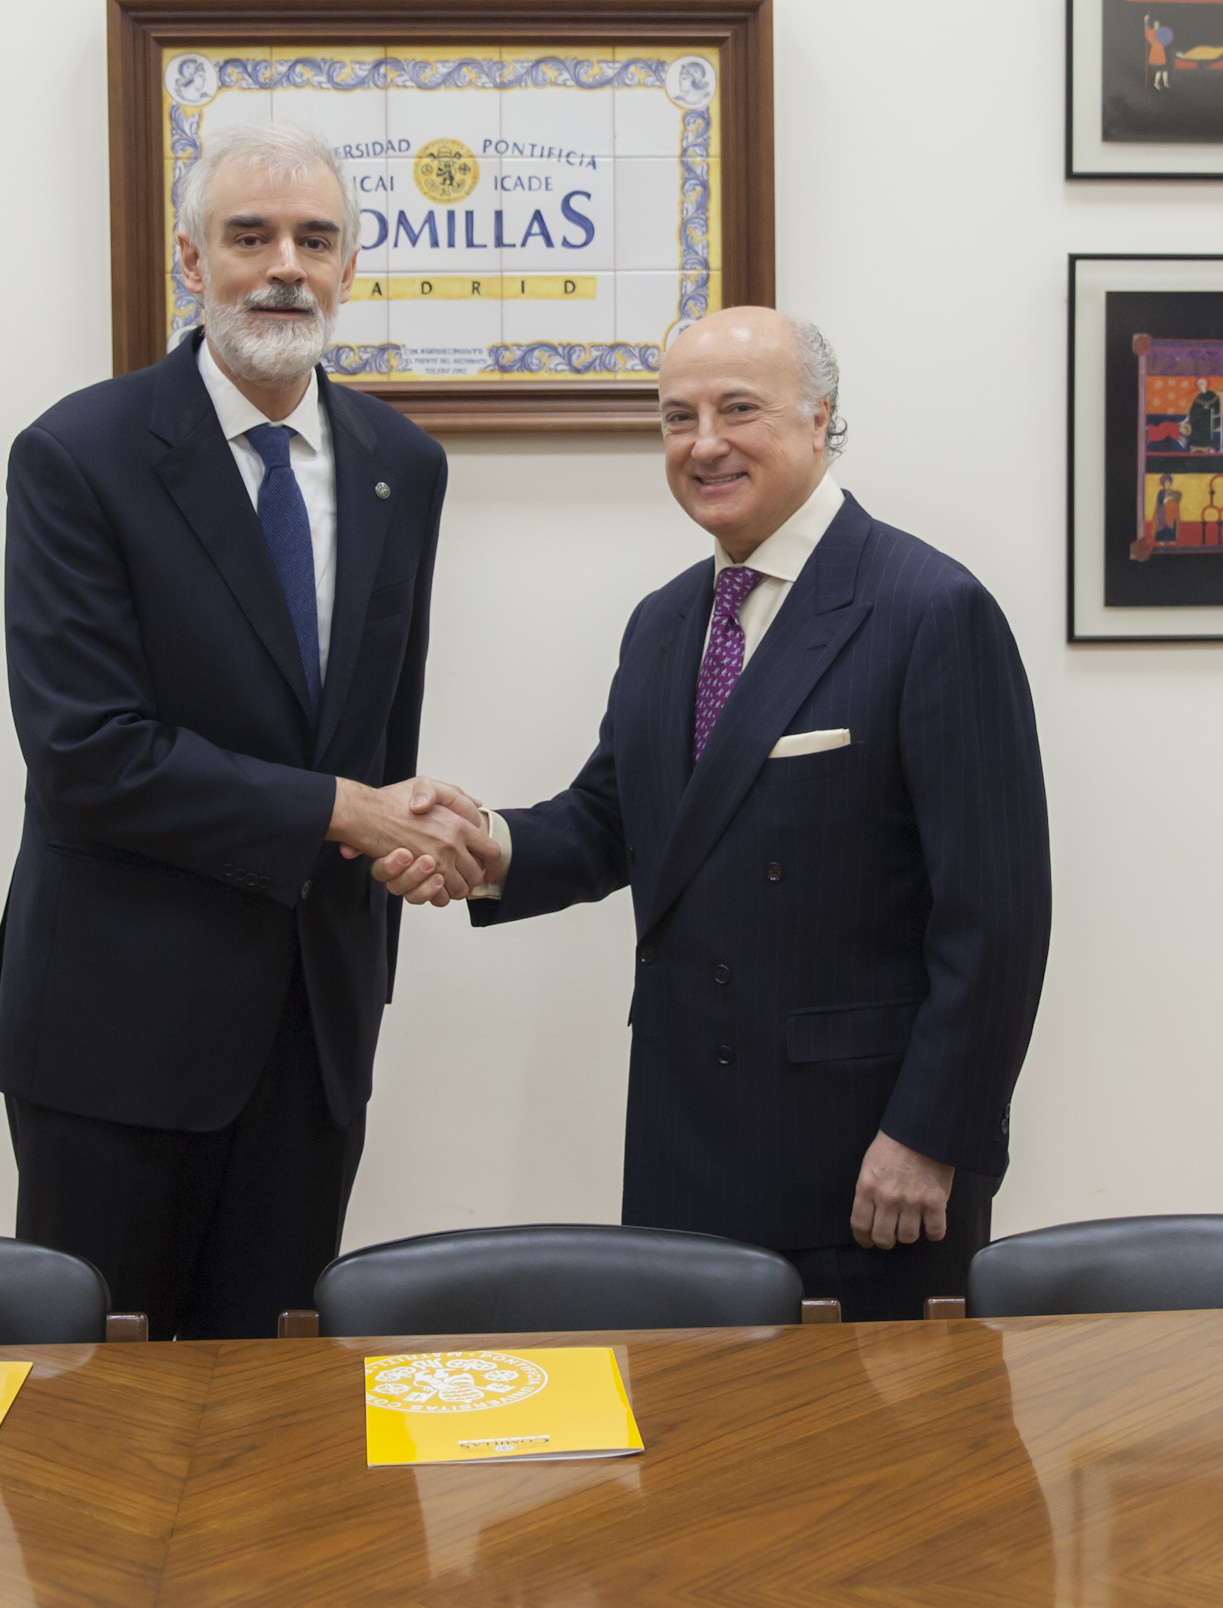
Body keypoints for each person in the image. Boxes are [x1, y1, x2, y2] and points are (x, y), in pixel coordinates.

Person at [376, 308, 1052, 1320]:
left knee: (874, 1428)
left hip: (864, 1164)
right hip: (681, 1143)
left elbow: (996, 916)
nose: (702, 444)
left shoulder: (929, 609)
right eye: (676, 417)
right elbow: (613, 820)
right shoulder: (663, 621)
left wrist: (930, 1135)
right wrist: (482, 844)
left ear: (818, 418)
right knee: (687, 1419)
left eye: (738, 410)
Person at [0, 120, 492, 1340]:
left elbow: (377, 732)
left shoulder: (401, 464)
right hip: (116, 1026)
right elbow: (87, 754)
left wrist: (403, 839)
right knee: (101, 1408)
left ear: (350, 266)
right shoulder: (78, 455)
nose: (284, 268)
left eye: (315, 240)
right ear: (192, 261)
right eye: (249, 236)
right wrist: (343, 812)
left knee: (281, 1408)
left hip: (314, 1025)